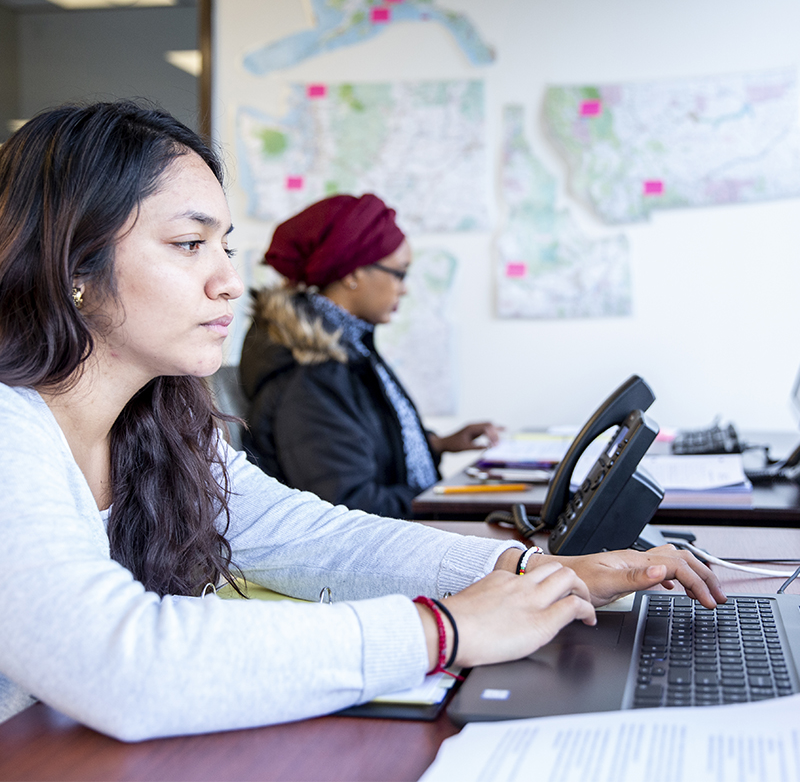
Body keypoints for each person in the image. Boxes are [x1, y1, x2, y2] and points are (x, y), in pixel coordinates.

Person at [0, 101, 725, 742]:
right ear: (74, 266)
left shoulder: (158, 425)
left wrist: (531, 571)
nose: (225, 279)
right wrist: (448, 628)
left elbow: (314, 537)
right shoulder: (11, 427)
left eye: (224, 246)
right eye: (189, 245)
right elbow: (120, 664)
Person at [239, 193, 501, 517]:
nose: (404, 288)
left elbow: (357, 442)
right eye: (400, 273)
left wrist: (438, 444)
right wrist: (445, 501)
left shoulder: (349, 348)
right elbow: (350, 504)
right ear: (353, 273)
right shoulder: (309, 375)